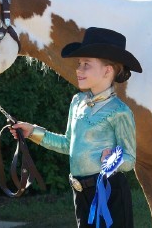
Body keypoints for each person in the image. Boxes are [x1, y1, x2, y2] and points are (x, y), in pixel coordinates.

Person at [10, 27, 142, 228]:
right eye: (79, 64)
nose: (78, 69)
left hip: (108, 193)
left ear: (107, 70)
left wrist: (114, 160)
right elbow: (67, 144)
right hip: (80, 192)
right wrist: (32, 132)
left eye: (86, 64)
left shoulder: (120, 112)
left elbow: (130, 159)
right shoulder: (77, 102)